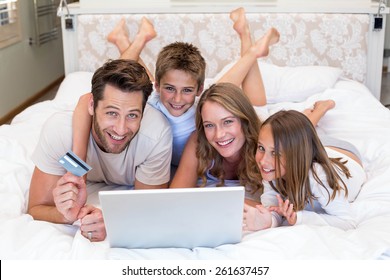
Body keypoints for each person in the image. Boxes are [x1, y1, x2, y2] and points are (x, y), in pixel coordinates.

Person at [27, 59, 173, 242]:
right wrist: (66, 215)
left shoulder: (155, 136)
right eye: (111, 113)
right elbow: (36, 207)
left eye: (132, 115)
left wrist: (112, 223)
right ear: (91, 105)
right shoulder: (60, 132)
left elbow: (148, 208)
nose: (121, 129)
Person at [72, 17, 206, 176]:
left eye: (187, 91)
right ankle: (136, 39)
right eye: (169, 88)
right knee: (123, 80)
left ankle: (126, 40)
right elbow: (94, 95)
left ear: (199, 90)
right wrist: (77, 172)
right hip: (165, 162)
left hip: (182, 167)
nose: (177, 99)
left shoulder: (203, 108)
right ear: (157, 86)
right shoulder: (148, 102)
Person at [243, 110, 366, 231]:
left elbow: (347, 222)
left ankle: (321, 109)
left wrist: (298, 217)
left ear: (295, 156)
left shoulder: (319, 177)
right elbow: (274, 209)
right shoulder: (270, 170)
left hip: (344, 152)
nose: (263, 161)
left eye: (275, 153)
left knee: (299, 135)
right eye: (261, 148)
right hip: (308, 148)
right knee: (297, 134)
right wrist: (268, 221)